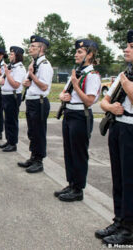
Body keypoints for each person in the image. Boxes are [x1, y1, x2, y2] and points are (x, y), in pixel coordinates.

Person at [97, 30, 133, 246]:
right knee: (119, 178)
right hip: (118, 129)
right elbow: (104, 102)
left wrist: (130, 91)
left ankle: (128, 230)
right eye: (127, 46)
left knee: (132, 181)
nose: (126, 49)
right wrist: (110, 106)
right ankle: (119, 220)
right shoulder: (125, 75)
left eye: (132, 47)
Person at [54, 39, 100, 202]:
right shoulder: (77, 73)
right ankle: (71, 183)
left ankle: (78, 189)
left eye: (80, 52)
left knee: (79, 153)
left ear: (90, 55)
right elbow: (65, 92)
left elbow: (89, 100)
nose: (76, 54)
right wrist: (62, 96)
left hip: (81, 116)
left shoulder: (92, 75)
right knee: (69, 152)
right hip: (70, 114)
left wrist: (76, 84)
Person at [17, 35, 53, 173]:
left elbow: (44, 86)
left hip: (40, 102)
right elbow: (31, 82)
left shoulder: (45, 65)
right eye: (30, 46)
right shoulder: (34, 63)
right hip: (32, 101)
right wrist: (28, 82)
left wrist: (31, 76)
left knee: (39, 132)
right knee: (32, 132)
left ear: (42, 48)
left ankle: (39, 161)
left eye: (33, 46)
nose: (30, 48)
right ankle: (33, 157)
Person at [0, 46, 26, 152]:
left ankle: (13, 143)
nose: (9, 56)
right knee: (7, 120)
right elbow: (4, 79)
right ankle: (9, 140)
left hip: (13, 96)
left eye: (12, 54)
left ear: (17, 56)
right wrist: (2, 78)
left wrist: (7, 74)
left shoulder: (19, 68)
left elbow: (15, 84)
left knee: (12, 120)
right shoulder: (11, 66)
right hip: (6, 95)